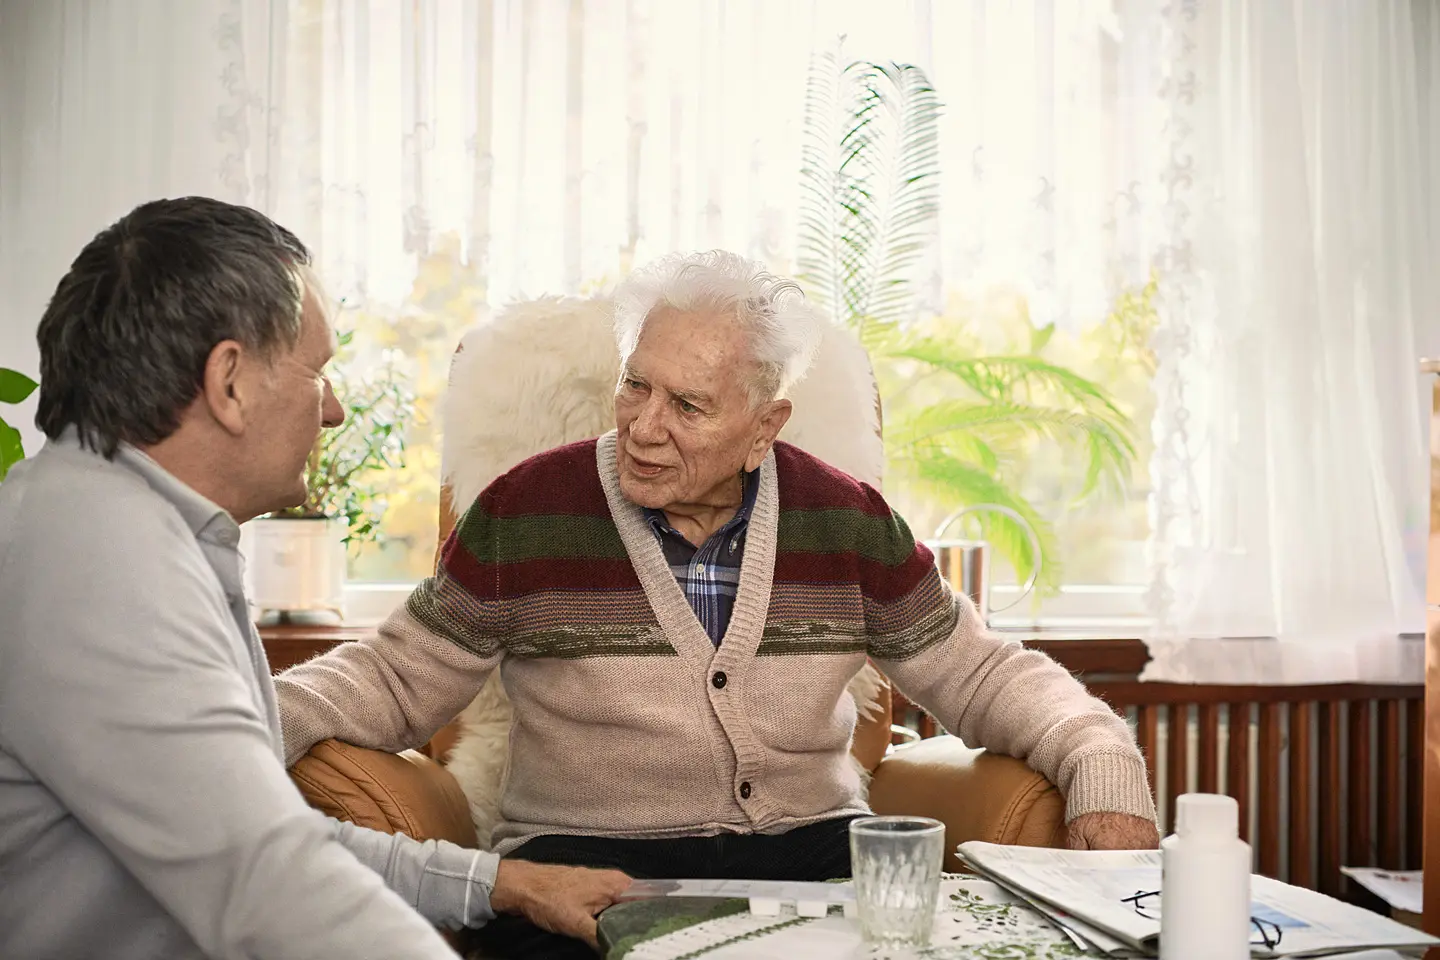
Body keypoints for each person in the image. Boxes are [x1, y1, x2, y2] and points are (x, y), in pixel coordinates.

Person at [275, 250, 1160, 959]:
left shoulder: (845, 520)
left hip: (817, 871)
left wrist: (1100, 758)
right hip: (586, 882)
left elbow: (986, 675)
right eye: (636, 385)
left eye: (688, 405)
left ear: (764, 426)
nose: (643, 426)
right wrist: (239, 725)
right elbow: (392, 679)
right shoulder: (527, 513)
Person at [0, 196, 630, 960]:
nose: (332, 410)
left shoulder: (115, 524)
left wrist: (504, 883)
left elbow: (271, 835)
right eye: (317, 372)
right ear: (230, 383)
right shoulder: (101, 567)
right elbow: (268, 879)